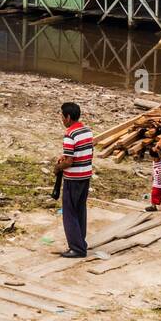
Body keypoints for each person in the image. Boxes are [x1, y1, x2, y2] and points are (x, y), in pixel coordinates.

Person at [55, 103, 93, 258]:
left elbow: (69, 161)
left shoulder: (70, 134)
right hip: (85, 175)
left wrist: (58, 168)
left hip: (74, 178)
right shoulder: (87, 131)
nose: (62, 119)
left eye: (62, 116)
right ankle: (80, 242)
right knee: (80, 210)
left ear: (68, 117)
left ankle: (77, 248)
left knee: (69, 213)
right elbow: (86, 152)